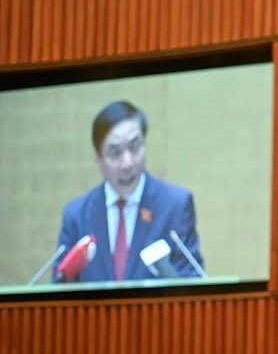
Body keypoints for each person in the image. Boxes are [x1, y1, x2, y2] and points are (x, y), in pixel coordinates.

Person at [55, 100, 204, 282]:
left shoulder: (175, 206)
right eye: (115, 153)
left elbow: (191, 283)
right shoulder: (77, 216)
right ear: (99, 160)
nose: (127, 163)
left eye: (135, 147)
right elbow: (60, 289)